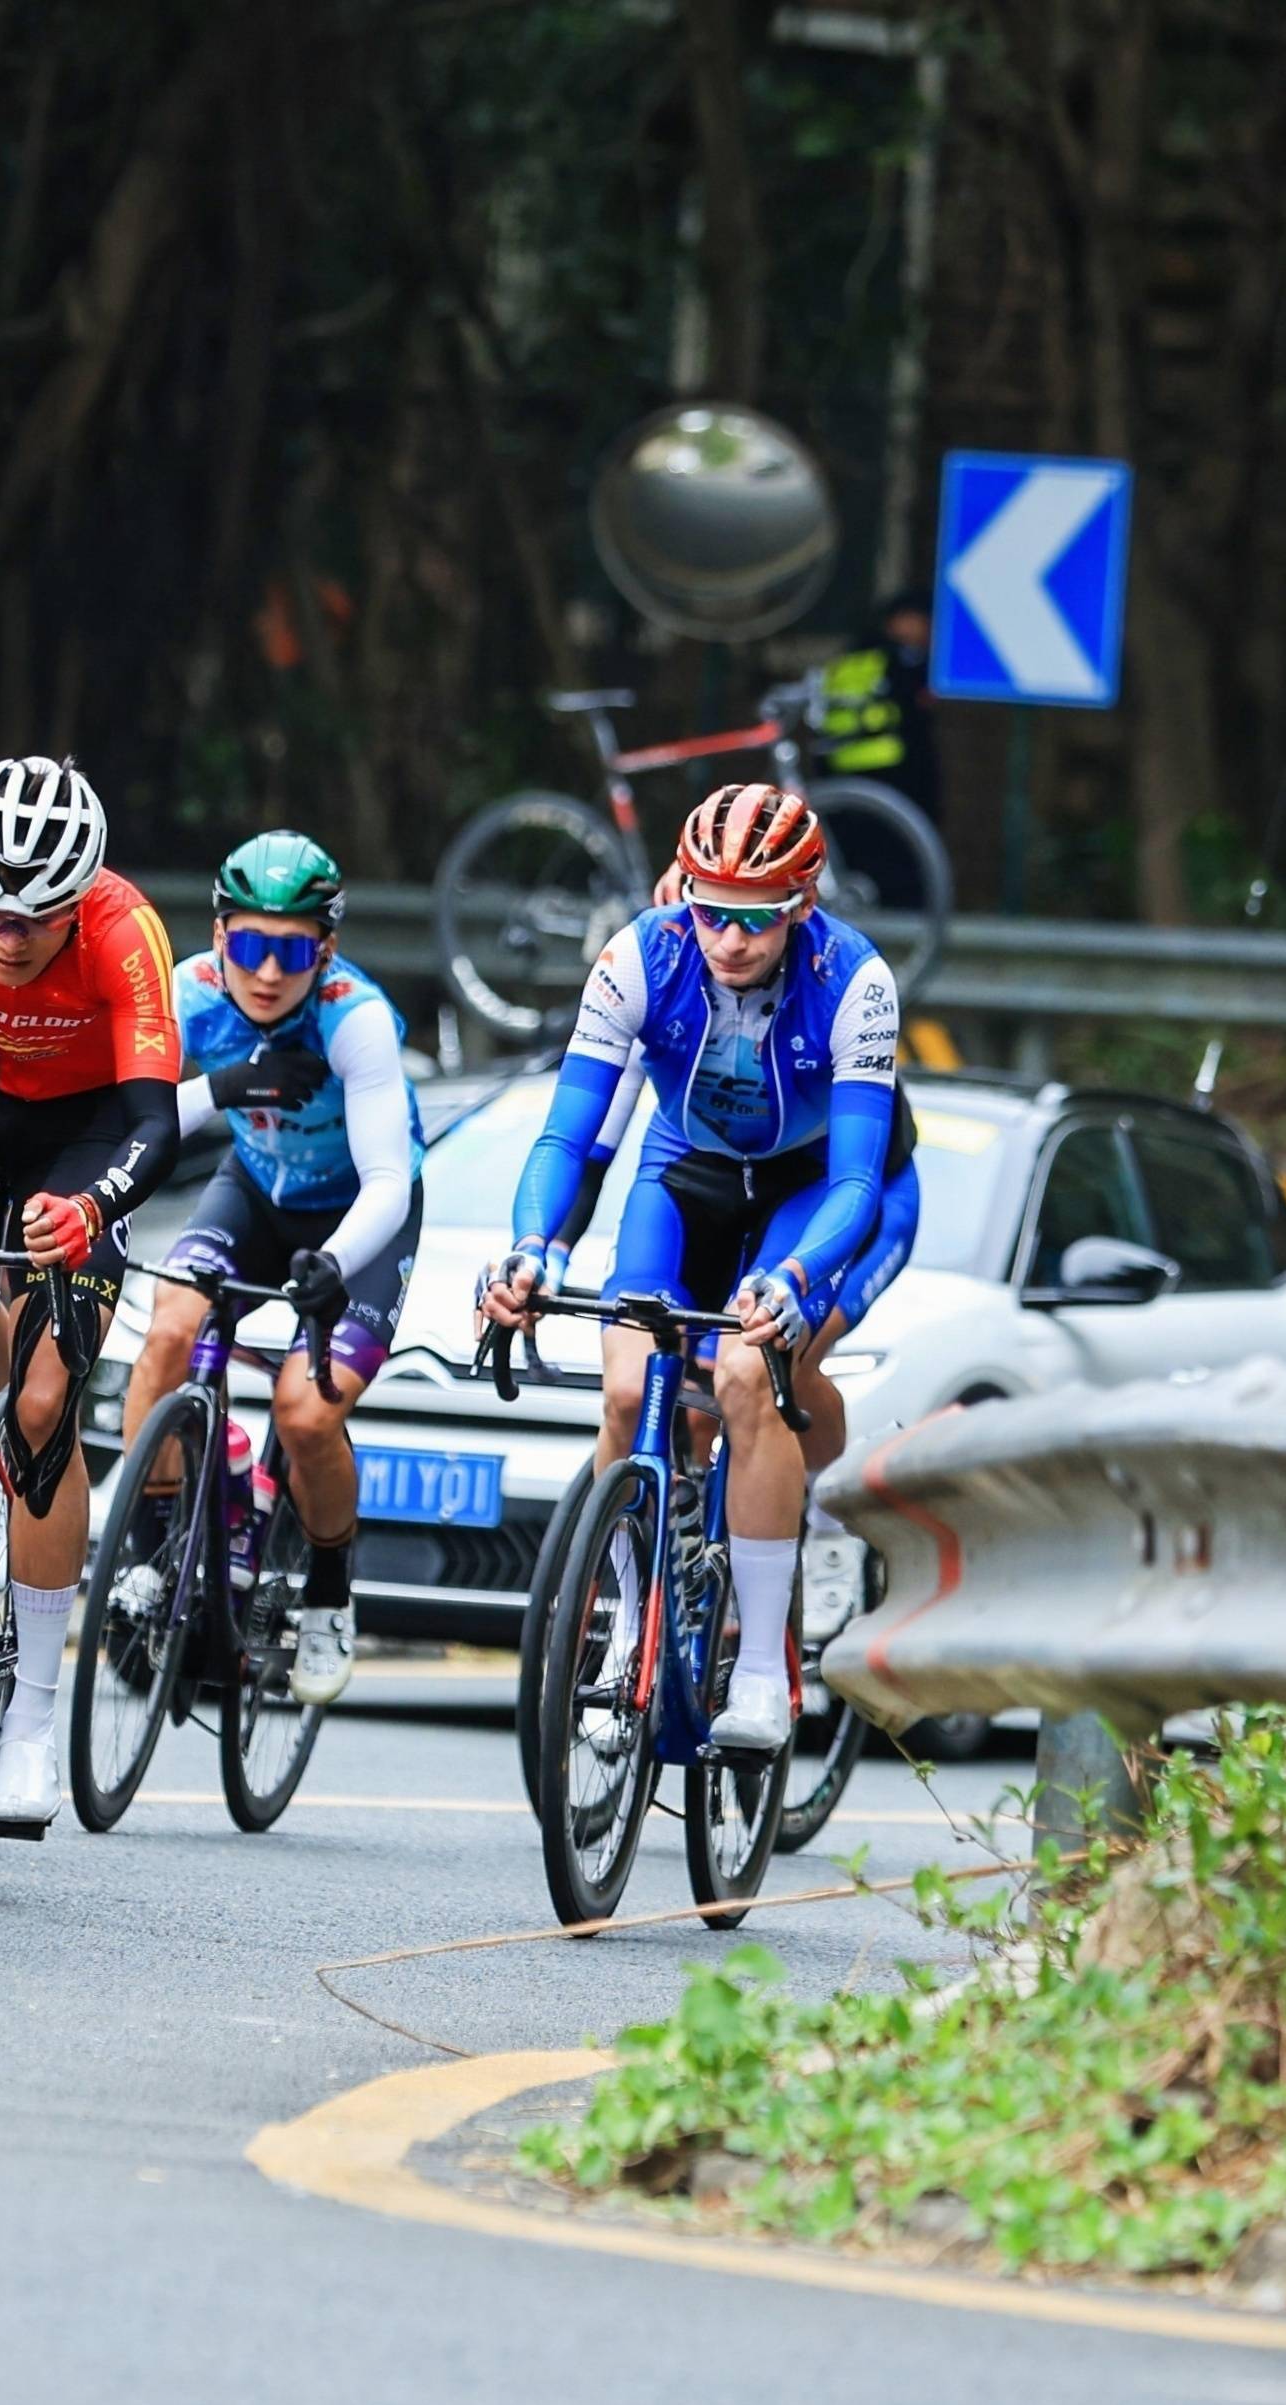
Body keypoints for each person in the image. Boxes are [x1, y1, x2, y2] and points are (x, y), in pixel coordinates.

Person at [480, 782, 909, 1753]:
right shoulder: (639, 954)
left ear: (802, 905)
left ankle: (762, 1659)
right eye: (710, 911)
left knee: (754, 1375)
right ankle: (629, 1621)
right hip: (692, 1174)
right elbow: (569, 1136)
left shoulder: (857, 979)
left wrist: (796, 1277)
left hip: (817, 1189)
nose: (729, 939)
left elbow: (856, 1182)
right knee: (632, 1392)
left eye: (756, 919)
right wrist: (528, 1247)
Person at [108, 831, 425, 1706]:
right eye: (249, 943)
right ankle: (154, 1546)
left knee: (306, 1411)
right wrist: (224, 1085)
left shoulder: (351, 1017)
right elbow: (127, 1122)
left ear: (323, 950)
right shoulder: (188, 994)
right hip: (251, 1188)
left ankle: (327, 1595)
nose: (267, 970)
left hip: (357, 1217)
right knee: (169, 1329)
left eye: (290, 950)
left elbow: (390, 1183)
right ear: (219, 937)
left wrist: (332, 1261)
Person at [0, 755, 184, 1833]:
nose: (5, 934)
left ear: (77, 894)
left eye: (34, 917)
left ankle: (30, 1723)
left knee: (39, 1408)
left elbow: (154, 1122)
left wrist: (92, 1206)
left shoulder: (124, 929)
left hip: (87, 1139)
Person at [813, 593, 939, 826]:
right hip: (895, 778)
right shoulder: (902, 659)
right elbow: (916, 716)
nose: (928, 631)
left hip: (838, 777)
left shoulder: (848, 659)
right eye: (922, 621)